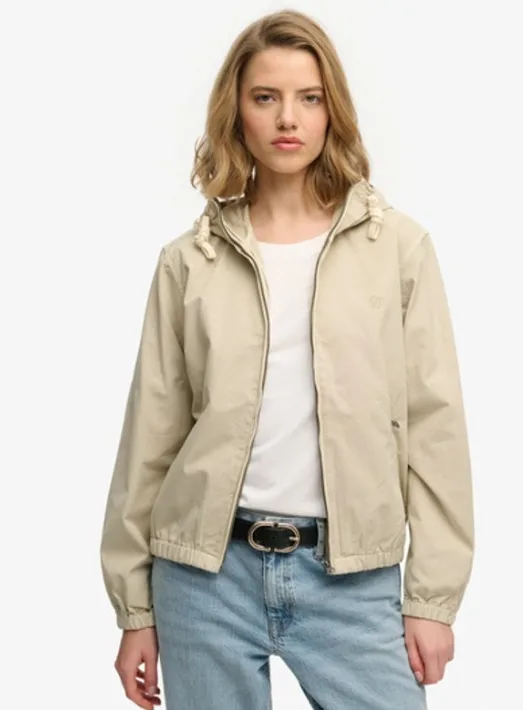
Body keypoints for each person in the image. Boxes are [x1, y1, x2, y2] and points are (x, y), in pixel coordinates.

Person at [99, 9, 475, 710]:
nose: (287, 118)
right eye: (265, 97)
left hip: (351, 578)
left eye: (309, 97)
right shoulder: (190, 262)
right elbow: (150, 439)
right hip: (205, 579)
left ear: (333, 110)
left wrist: (432, 598)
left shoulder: (397, 249)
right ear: (236, 112)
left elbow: (434, 428)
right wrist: (135, 611)